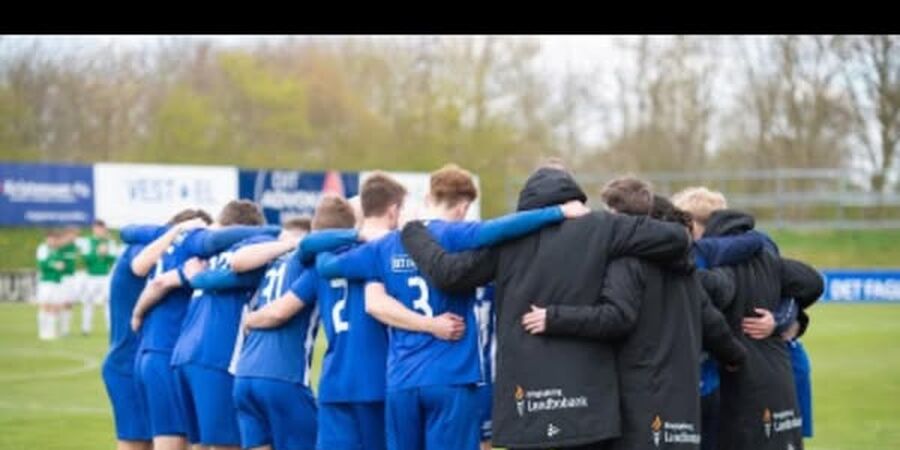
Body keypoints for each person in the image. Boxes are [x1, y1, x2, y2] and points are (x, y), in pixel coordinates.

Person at [398, 166, 692, 449]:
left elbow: (448, 274)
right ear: (574, 199)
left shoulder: (509, 241)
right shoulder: (601, 227)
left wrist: (412, 231)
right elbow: (677, 238)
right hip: (586, 400)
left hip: (527, 400)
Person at [317, 164, 588, 450]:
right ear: (463, 207)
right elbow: (502, 227)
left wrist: (352, 235)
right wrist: (558, 212)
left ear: (427, 199)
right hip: (450, 377)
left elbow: (326, 266)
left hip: (402, 381)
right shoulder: (453, 235)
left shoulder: (383, 247)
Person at [102, 210, 209, 450]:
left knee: (165, 439)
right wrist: (176, 233)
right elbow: (139, 267)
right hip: (128, 361)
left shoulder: (169, 259)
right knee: (137, 443)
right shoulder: (141, 250)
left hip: (147, 359)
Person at [76, 219, 119, 335]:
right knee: (88, 302)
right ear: (94, 229)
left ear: (104, 229)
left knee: (108, 302)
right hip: (91, 276)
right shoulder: (88, 242)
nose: (99, 231)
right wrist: (97, 253)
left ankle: (110, 328)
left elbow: (114, 259)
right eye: (97, 228)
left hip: (105, 276)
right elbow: (85, 259)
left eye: (101, 229)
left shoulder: (110, 242)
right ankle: (86, 328)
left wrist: (106, 255)